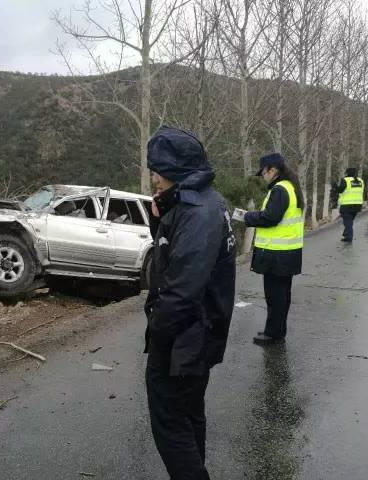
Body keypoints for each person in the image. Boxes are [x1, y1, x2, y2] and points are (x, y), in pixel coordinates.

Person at [144, 126, 236, 480]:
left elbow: (182, 291)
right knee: (190, 412)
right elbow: (172, 254)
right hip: (201, 332)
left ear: (177, 170)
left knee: (170, 424)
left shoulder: (198, 213)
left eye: (158, 169)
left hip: (185, 338)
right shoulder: (201, 201)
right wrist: (159, 219)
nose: (153, 176)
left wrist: (158, 330)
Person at [243, 153, 304, 346]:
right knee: (282, 295)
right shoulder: (290, 186)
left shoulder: (279, 190)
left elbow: (270, 218)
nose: (263, 176)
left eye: (263, 172)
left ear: (272, 170)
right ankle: (277, 330)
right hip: (288, 252)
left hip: (277, 254)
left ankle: (273, 333)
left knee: (275, 296)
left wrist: (247, 217)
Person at [336, 167, 364, 242]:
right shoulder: (360, 181)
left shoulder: (345, 180)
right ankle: (346, 233)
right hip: (357, 205)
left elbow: (340, 190)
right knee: (349, 221)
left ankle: (349, 237)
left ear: (347, 173)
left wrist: (335, 186)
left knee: (347, 221)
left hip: (347, 205)